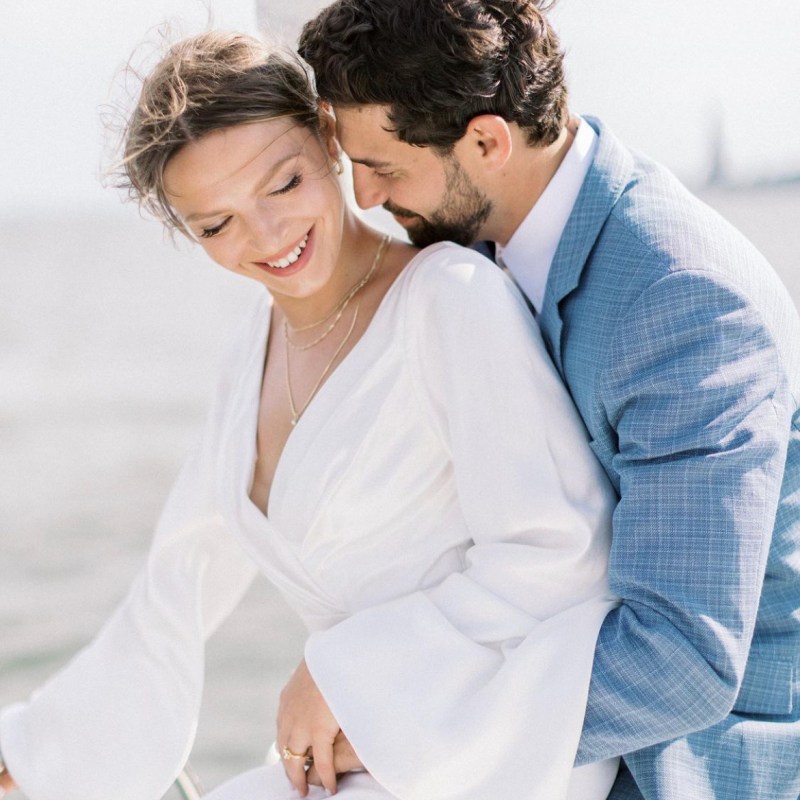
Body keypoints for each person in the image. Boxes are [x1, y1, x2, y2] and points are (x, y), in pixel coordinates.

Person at [0, 30, 620, 800]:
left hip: (491, 742)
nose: (266, 237)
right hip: (366, 742)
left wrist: (344, 674)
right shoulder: (253, 351)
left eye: (283, 184)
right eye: (216, 226)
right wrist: (33, 755)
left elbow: (561, 550)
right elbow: (179, 580)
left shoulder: (449, 300)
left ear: (330, 140)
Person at [289, 1, 800, 798]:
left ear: (487, 141)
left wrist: (405, 722)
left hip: (681, 766)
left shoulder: (680, 299)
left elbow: (684, 662)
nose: (363, 197)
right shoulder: (478, 245)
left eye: (383, 167)